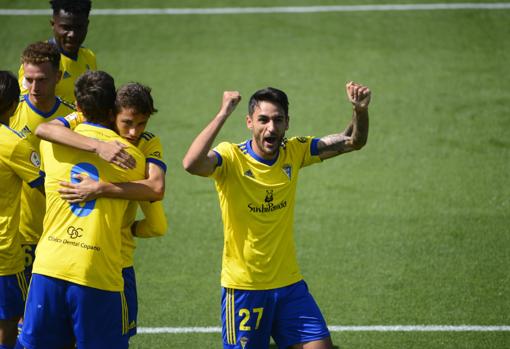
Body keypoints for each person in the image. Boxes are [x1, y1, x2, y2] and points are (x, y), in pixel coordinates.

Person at [182, 81, 371, 349]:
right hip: (246, 288)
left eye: (278, 120)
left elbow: (353, 141)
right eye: (263, 120)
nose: (271, 127)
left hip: (289, 285)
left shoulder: (294, 151)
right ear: (249, 122)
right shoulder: (231, 157)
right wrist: (223, 113)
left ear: (287, 123)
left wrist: (359, 111)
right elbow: (191, 164)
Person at [19, 71, 146, 349]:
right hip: (97, 273)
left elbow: (46, 128)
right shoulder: (132, 158)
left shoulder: (50, 146)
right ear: (113, 107)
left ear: (77, 106)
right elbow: (154, 194)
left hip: (49, 267)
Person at [35, 82, 168, 340]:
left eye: (141, 124)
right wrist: (98, 147)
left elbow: (156, 187)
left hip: (114, 261)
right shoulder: (86, 129)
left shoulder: (148, 143)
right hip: (105, 265)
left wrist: (101, 188)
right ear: (110, 114)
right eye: (127, 122)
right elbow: (43, 129)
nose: (133, 132)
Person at [9, 41, 75, 282]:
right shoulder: (10, 116)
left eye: (42, 79)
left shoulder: (73, 119)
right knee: (22, 312)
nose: (33, 87)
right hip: (23, 232)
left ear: (58, 76)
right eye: (29, 79)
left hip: (65, 231)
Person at [0, 71, 45, 349]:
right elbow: (45, 186)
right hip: (4, 251)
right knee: (10, 319)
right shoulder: (14, 144)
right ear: (15, 105)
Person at [18, 0, 96, 104]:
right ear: (53, 24)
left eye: (79, 27)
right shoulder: (38, 60)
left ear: (87, 25)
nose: (72, 34)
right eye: (66, 28)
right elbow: (24, 105)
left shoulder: (89, 56)